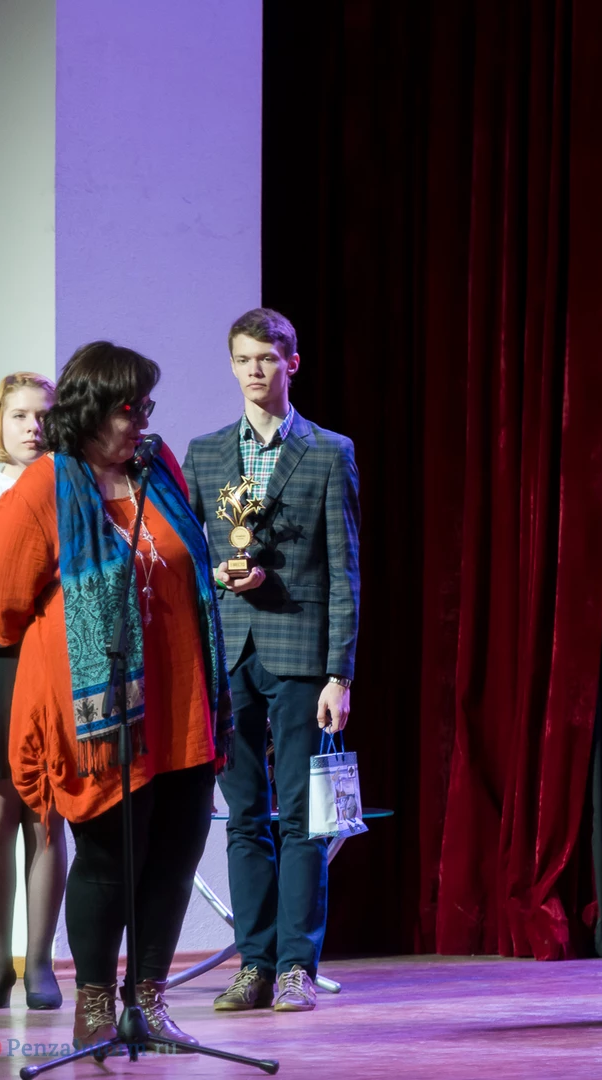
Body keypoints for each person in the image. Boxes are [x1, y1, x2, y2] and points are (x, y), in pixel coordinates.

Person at [0, 342, 233, 1048]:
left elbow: (189, 562)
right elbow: (4, 603)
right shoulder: (46, 486)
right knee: (108, 862)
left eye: (147, 406)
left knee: (175, 857)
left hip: (182, 705)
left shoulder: (158, 467)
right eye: (130, 408)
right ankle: (94, 1007)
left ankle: (147, 1003)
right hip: (102, 716)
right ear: (92, 410)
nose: (143, 420)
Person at [184, 308, 360, 1014]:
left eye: (266, 358)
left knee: (303, 818)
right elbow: (188, 556)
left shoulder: (328, 451)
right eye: (243, 359)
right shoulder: (204, 454)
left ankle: (295, 967)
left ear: (291, 363)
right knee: (244, 817)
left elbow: (345, 569)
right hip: (230, 656)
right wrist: (220, 576)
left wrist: (339, 673)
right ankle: (253, 963)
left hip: (300, 656)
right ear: (231, 366)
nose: (254, 370)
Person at [0, 372, 65, 1011]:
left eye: (43, 415)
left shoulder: (73, 498)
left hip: (50, 665)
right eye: (20, 415)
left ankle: (41, 964)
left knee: (45, 816)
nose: (33, 427)